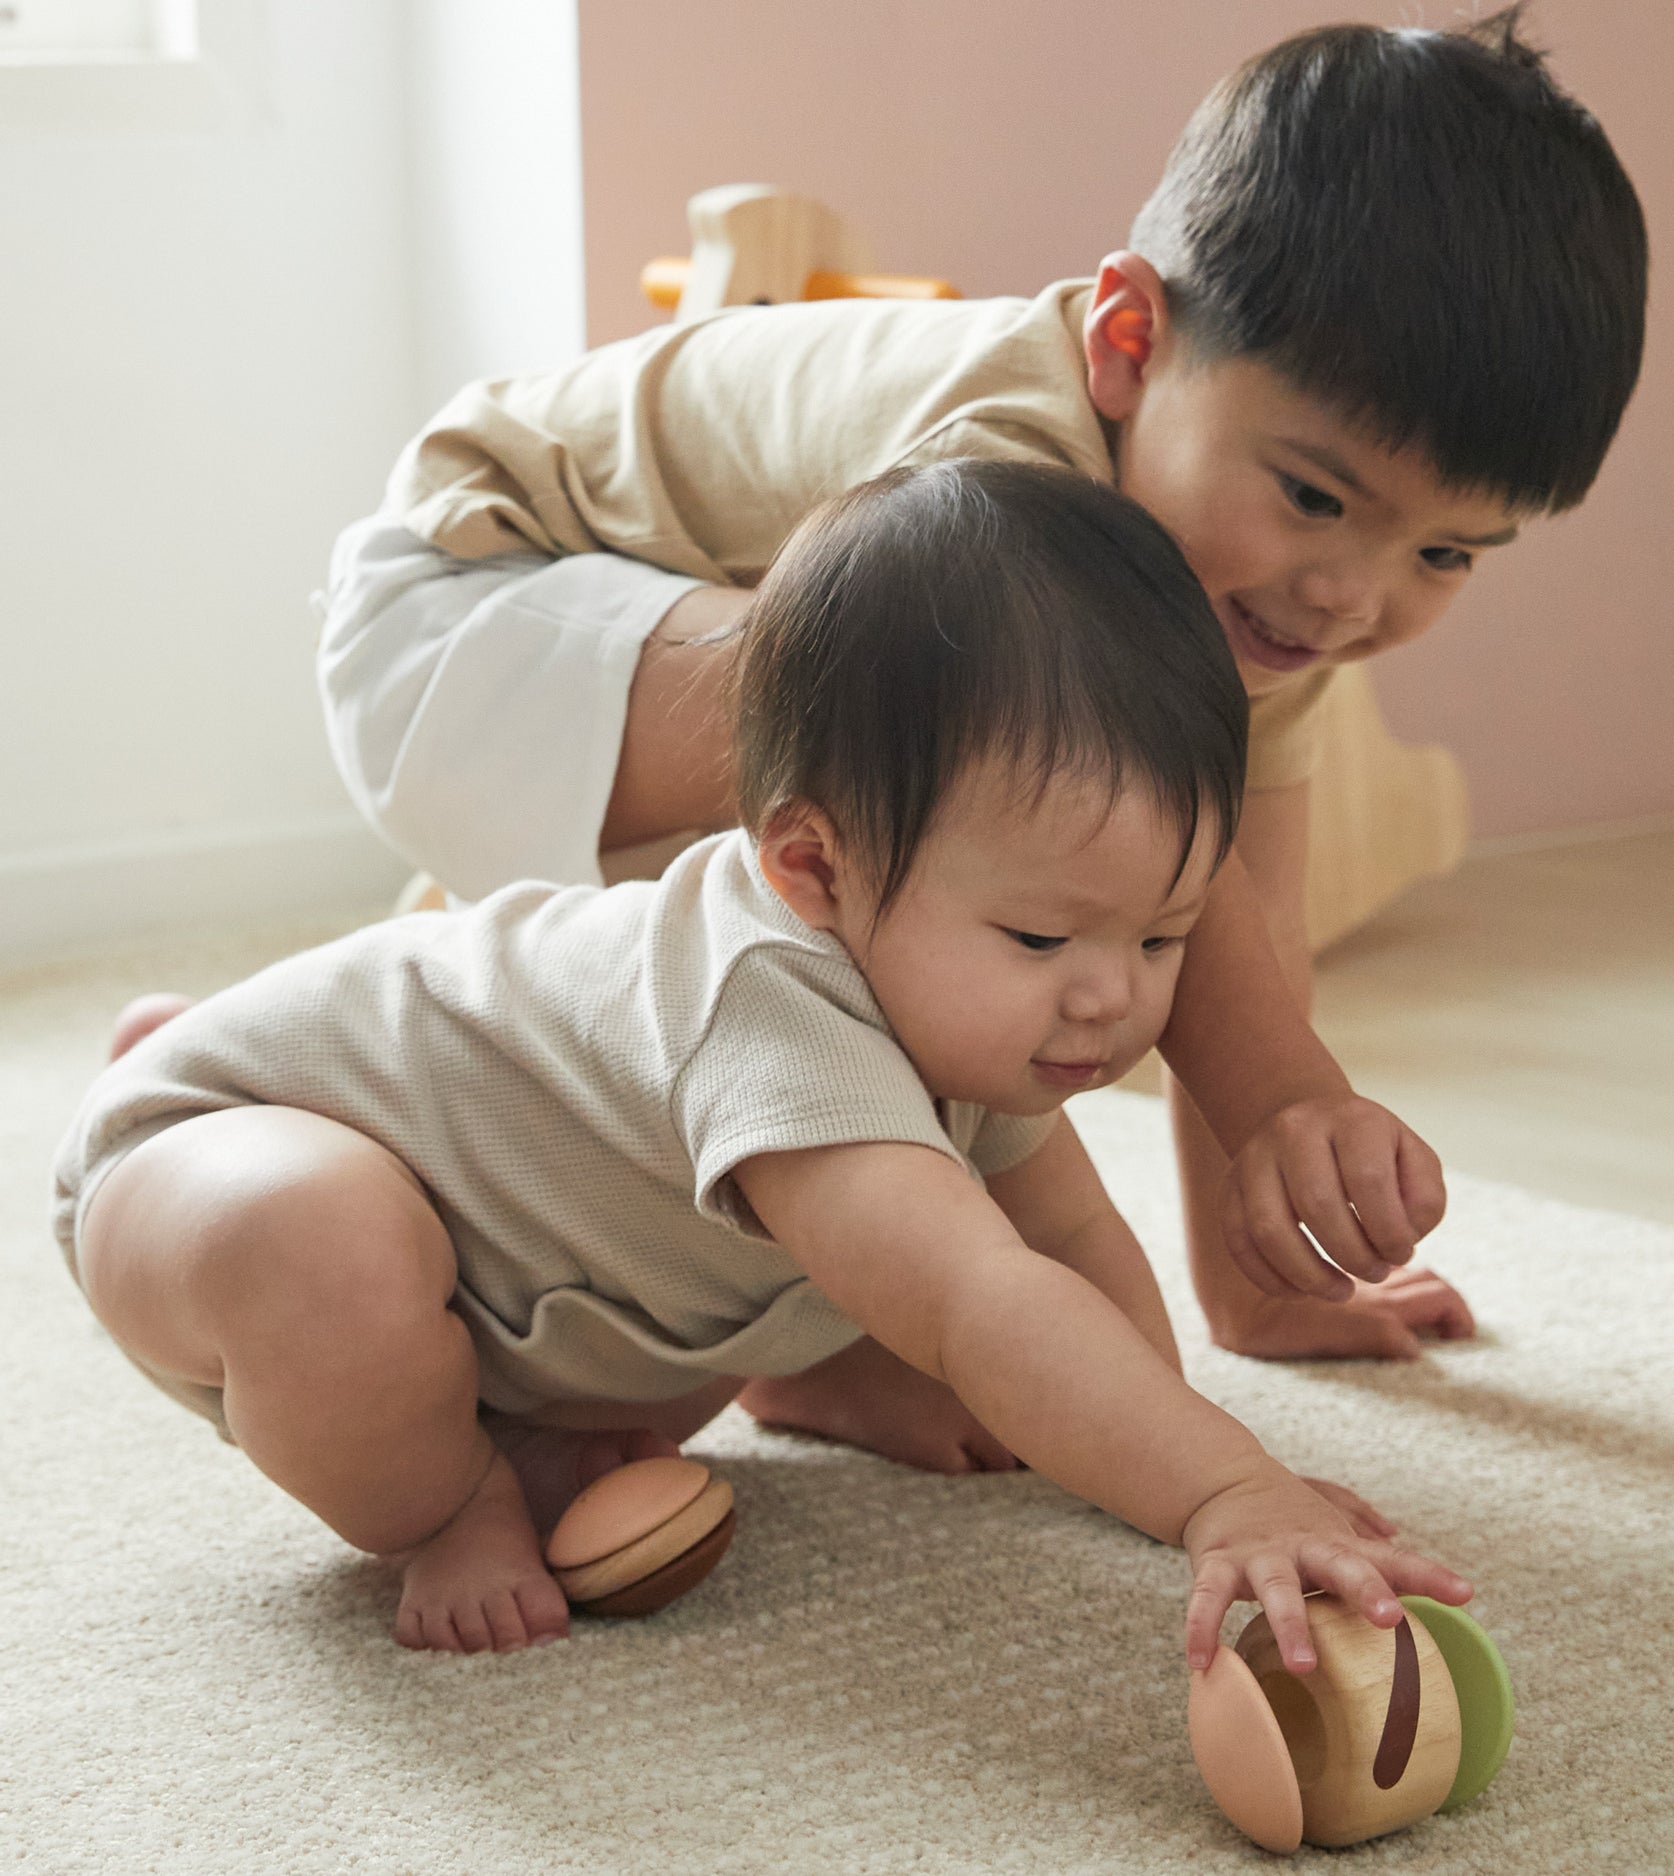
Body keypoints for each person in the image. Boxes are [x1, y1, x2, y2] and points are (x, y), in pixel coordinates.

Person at [313, 11, 1647, 1452]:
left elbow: (1231, 904)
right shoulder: (1005, 467)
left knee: (967, 888)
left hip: (619, 717)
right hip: (462, 620)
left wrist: (1256, 1278)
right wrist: (1288, 1097)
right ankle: (871, 1280)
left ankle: (791, 1336)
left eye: (1446, 555)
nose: (1352, 593)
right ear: (1129, 341)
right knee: (931, 816)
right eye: (1316, 498)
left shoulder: (1261, 588)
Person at [55, 462, 1472, 1660]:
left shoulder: (970, 1002)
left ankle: (560, 1426)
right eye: (1042, 935)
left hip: (522, 1284)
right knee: (320, 1247)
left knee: (804, 1295)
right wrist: (1221, 1499)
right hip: (226, 1141)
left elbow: (1070, 1248)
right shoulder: (769, 999)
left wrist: (1177, 1452)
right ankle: (446, 1496)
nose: (1110, 999)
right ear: (810, 865)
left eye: (1161, 936)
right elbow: (983, 1303)